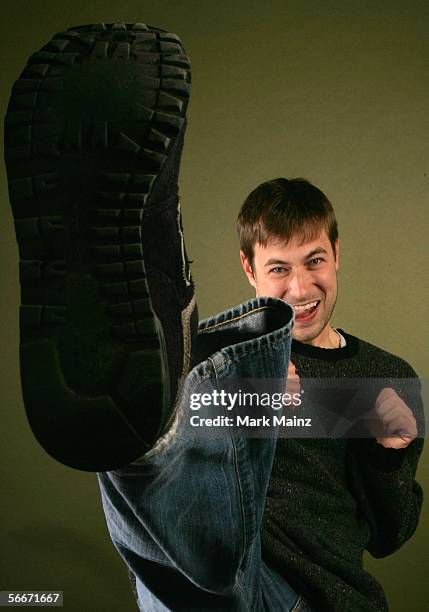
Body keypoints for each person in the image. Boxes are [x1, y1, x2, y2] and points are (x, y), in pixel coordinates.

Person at [4, 22, 424, 612]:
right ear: (249, 272)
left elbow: (390, 536)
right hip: (204, 571)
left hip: (314, 601)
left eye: (316, 261)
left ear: (338, 256)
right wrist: (247, 401)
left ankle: (159, 270)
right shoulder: (222, 366)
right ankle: (152, 259)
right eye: (279, 269)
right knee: (166, 418)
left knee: (198, 550)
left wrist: (391, 454)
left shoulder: (387, 373)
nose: (302, 288)